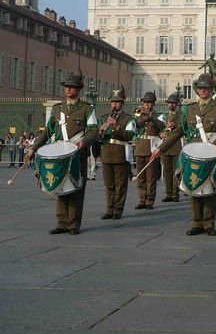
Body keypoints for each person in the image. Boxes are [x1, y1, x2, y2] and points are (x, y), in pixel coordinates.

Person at [153, 73, 216, 236]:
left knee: (209, 187)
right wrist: (161, 148)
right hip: (194, 151)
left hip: (212, 150)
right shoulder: (189, 108)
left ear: (210, 89)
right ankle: (196, 222)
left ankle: (209, 223)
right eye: (201, 88)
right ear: (197, 90)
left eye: (206, 88)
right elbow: (178, 132)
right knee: (193, 185)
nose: (203, 90)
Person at [27, 71, 98, 234]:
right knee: (59, 186)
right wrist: (34, 148)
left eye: (72, 87)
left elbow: (94, 131)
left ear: (78, 89)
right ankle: (62, 223)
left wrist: (84, 142)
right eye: (67, 87)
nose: (68, 90)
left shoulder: (87, 109)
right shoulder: (58, 109)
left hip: (77, 153)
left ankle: (73, 224)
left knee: (76, 188)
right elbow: (47, 131)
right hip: (61, 154)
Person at [99, 87, 136, 220]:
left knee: (120, 185)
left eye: (118, 102)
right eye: (113, 101)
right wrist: (101, 131)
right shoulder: (104, 118)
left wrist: (116, 126)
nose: (114, 104)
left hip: (120, 154)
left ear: (122, 103)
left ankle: (118, 210)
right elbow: (99, 139)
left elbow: (130, 135)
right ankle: (109, 209)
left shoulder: (128, 119)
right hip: (107, 154)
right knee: (109, 184)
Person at [134, 91, 165, 210]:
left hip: (152, 147)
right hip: (140, 147)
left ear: (153, 104)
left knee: (151, 176)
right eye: (145, 102)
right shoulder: (139, 115)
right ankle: (142, 199)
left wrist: (151, 117)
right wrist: (144, 116)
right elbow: (136, 125)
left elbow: (162, 126)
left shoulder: (159, 115)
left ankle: (150, 200)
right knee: (141, 176)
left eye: (149, 103)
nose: (146, 105)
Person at [160, 92, 182, 202]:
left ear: (177, 104)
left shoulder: (181, 115)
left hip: (176, 146)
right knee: (166, 171)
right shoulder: (164, 115)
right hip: (166, 147)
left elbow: (183, 127)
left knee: (175, 171)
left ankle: (175, 193)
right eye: (169, 103)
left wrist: (175, 125)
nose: (171, 105)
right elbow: (160, 128)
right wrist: (161, 133)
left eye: (173, 103)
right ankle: (168, 193)